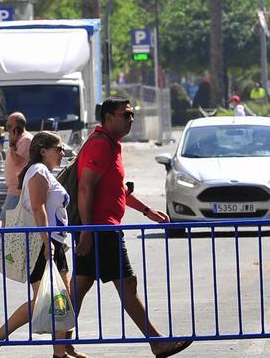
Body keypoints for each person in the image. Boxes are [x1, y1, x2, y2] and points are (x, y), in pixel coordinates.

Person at [73, 97, 192, 358]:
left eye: (132, 115)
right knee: (127, 284)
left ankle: (55, 347)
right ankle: (157, 342)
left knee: (79, 289)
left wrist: (147, 211)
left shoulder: (111, 145)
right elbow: (85, 188)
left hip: (99, 228)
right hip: (101, 230)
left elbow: (117, 192)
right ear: (108, 118)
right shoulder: (101, 146)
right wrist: (88, 230)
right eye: (125, 115)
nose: (131, 120)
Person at [0, 132, 86, 358]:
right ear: (43, 150)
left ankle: (59, 353)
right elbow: (38, 208)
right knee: (46, 301)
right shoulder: (38, 172)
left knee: (61, 301)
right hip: (42, 244)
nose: (62, 153)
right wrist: (47, 242)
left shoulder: (45, 173)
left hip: (53, 243)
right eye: (58, 149)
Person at [0, 112, 32, 225]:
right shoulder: (20, 140)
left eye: (9, 126)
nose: (7, 129)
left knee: (6, 220)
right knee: (8, 220)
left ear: (17, 128)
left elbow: (18, 162)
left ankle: (4, 243)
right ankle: (5, 242)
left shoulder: (25, 140)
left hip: (18, 189)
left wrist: (12, 144)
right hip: (14, 188)